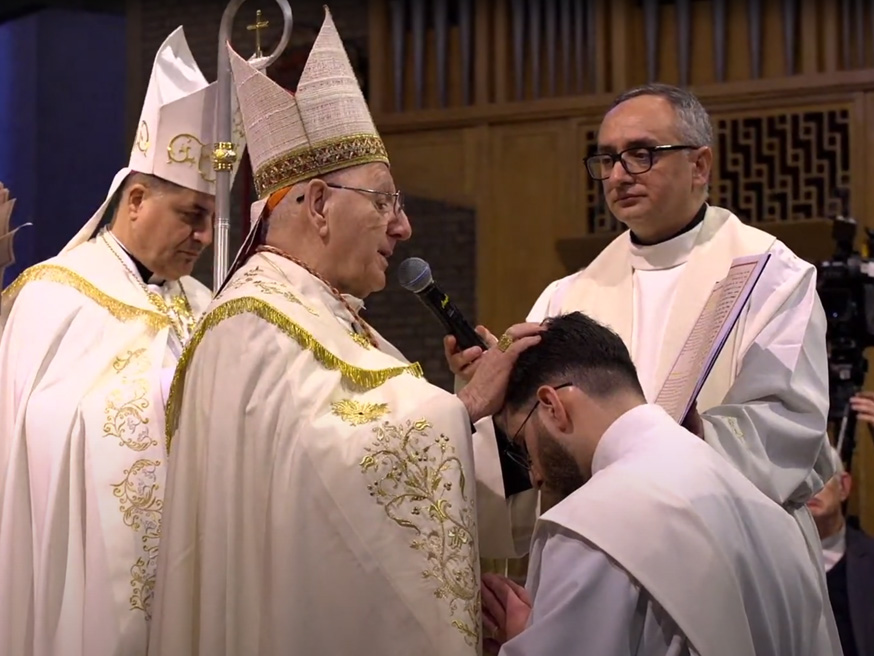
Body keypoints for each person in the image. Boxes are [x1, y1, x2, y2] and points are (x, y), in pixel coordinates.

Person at [146, 9, 539, 656]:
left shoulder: (317, 312)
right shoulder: (251, 326)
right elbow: (332, 480)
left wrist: (460, 406)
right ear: (320, 206)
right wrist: (464, 409)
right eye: (385, 201)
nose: (403, 226)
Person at [448, 82, 839, 647]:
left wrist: (671, 439)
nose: (618, 174)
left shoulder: (769, 277)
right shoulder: (567, 295)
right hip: (599, 560)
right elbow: (534, 449)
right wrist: (497, 395)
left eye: (641, 153)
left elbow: (789, 427)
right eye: (606, 158)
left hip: (722, 554)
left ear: (700, 164)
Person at [0, 27, 244, 656]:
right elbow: (37, 434)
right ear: (136, 200)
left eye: (212, 220)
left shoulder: (202, 303)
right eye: (192, 215)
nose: (203, 237)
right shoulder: (53, 294)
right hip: (84, 572)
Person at [480, 311, 832, 656]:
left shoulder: (590, 524)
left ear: (551, 405)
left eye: (525, 446)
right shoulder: (767, 507)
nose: (535, 474)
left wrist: (525, 640)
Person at [808, 445, 874, 656]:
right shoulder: (770, 564)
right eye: (800, 479)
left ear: (843, 486)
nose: (811, 486)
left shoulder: (870, 559)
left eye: (820, 473)